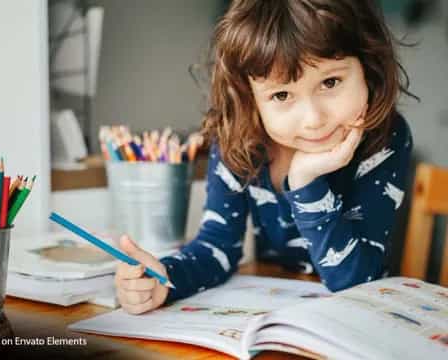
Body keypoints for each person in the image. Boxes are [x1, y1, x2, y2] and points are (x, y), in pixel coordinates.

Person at [115, 0, 417, 314]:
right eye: (282, 95)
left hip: (361, 321)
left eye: (330, 82)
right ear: (250, 98)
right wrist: (164, 278)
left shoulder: (384, 137)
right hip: (277, 315)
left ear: (368, 69)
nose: (313, 118)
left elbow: (356, 282)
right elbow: (217, 247)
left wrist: (304, 180)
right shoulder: (239, 139)